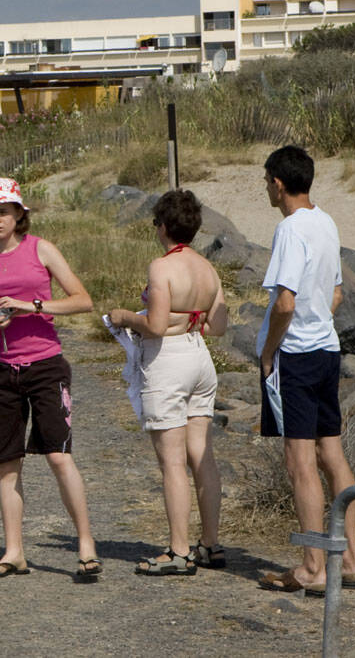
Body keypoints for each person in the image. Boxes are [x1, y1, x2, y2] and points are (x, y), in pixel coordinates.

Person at [0, 177, 100, 578]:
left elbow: (83, 301)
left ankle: (86, 545)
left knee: (58, 455)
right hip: (1, 370)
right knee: (8, 463)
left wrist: (32, 305)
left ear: (20, 214)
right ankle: (13, 551)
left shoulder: (42, 249)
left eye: (4, 211)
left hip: (46, 365)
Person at [254, 145, 355, 597]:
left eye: (267, 181)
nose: (266, 189)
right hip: (326, 349)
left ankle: (314, 565)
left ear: (278, 184)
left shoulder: (290, 229)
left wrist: (269, 353)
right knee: (331, 453)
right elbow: (335, 293)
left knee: (300, 461)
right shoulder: (326, 222)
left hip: (296, 356)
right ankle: (350, 560)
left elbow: (285, 302)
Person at [108, 190, 228, 576]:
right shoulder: (208, 269)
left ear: (162, 227)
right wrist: (186, 319)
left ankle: (178, 551)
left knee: (172, 461)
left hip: (168, 362)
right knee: (202, 455)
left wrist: (125, 317)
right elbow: (218, 326)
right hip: (199, 357)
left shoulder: (162, 267)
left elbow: (156, 325)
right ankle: (209, 543)